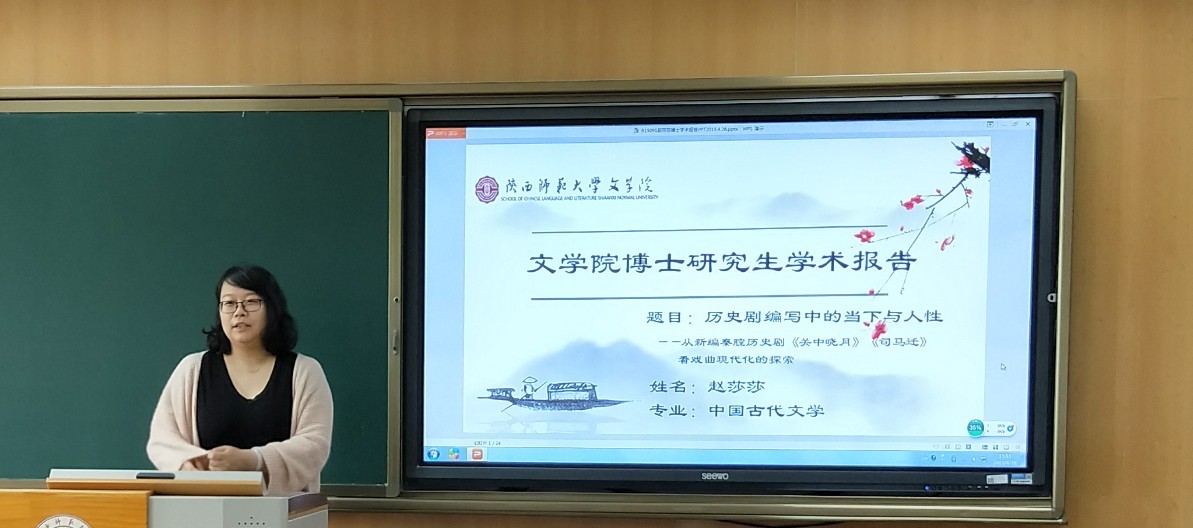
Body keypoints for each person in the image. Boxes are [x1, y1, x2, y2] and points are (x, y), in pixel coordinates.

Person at [147, 264, 333, 494]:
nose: (239, 312)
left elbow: (314, 445)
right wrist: (189, 464)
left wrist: (253, 460)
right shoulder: (192, 369)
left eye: (251, 302)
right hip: (202, 506)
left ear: (272, 308)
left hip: (282, 510)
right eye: (229, 303)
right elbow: (162, 439)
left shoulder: (304, 371)